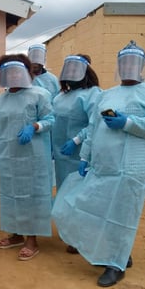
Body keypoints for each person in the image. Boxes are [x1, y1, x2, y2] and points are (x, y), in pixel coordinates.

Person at [52, 41, 145, 287]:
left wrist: (128, 122)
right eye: (124, 62)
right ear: (119, 65)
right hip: (102, 167)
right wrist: (85, 157)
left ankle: (115, 264)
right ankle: (119, 252)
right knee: (96, 210)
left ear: (142, 66)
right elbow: (93, 128)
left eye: (133, 62)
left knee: (122, 215)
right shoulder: (107, 95)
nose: (128, 66)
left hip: (131, 170)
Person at [0, 55, 54, 260]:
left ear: (26, 72)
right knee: (10, 197)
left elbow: (51, 119)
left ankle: (32, 239)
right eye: (9, 71)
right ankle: (16, 234)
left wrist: (34, 126)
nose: (14, 75)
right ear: (2, 75)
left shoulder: (39, 95)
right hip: (9, 157)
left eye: (18, 70)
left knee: (31, 196)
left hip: (33, 158)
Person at [53, 54, 101, 190]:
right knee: (63, 189)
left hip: (81, 153)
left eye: (75, 70)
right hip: (60, 154)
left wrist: (76, 140)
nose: (71, 74)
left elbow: (96, 123)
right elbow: (54, 122)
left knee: (79, 191)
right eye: (68, 70)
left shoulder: (92, 94)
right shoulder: (59, 97)